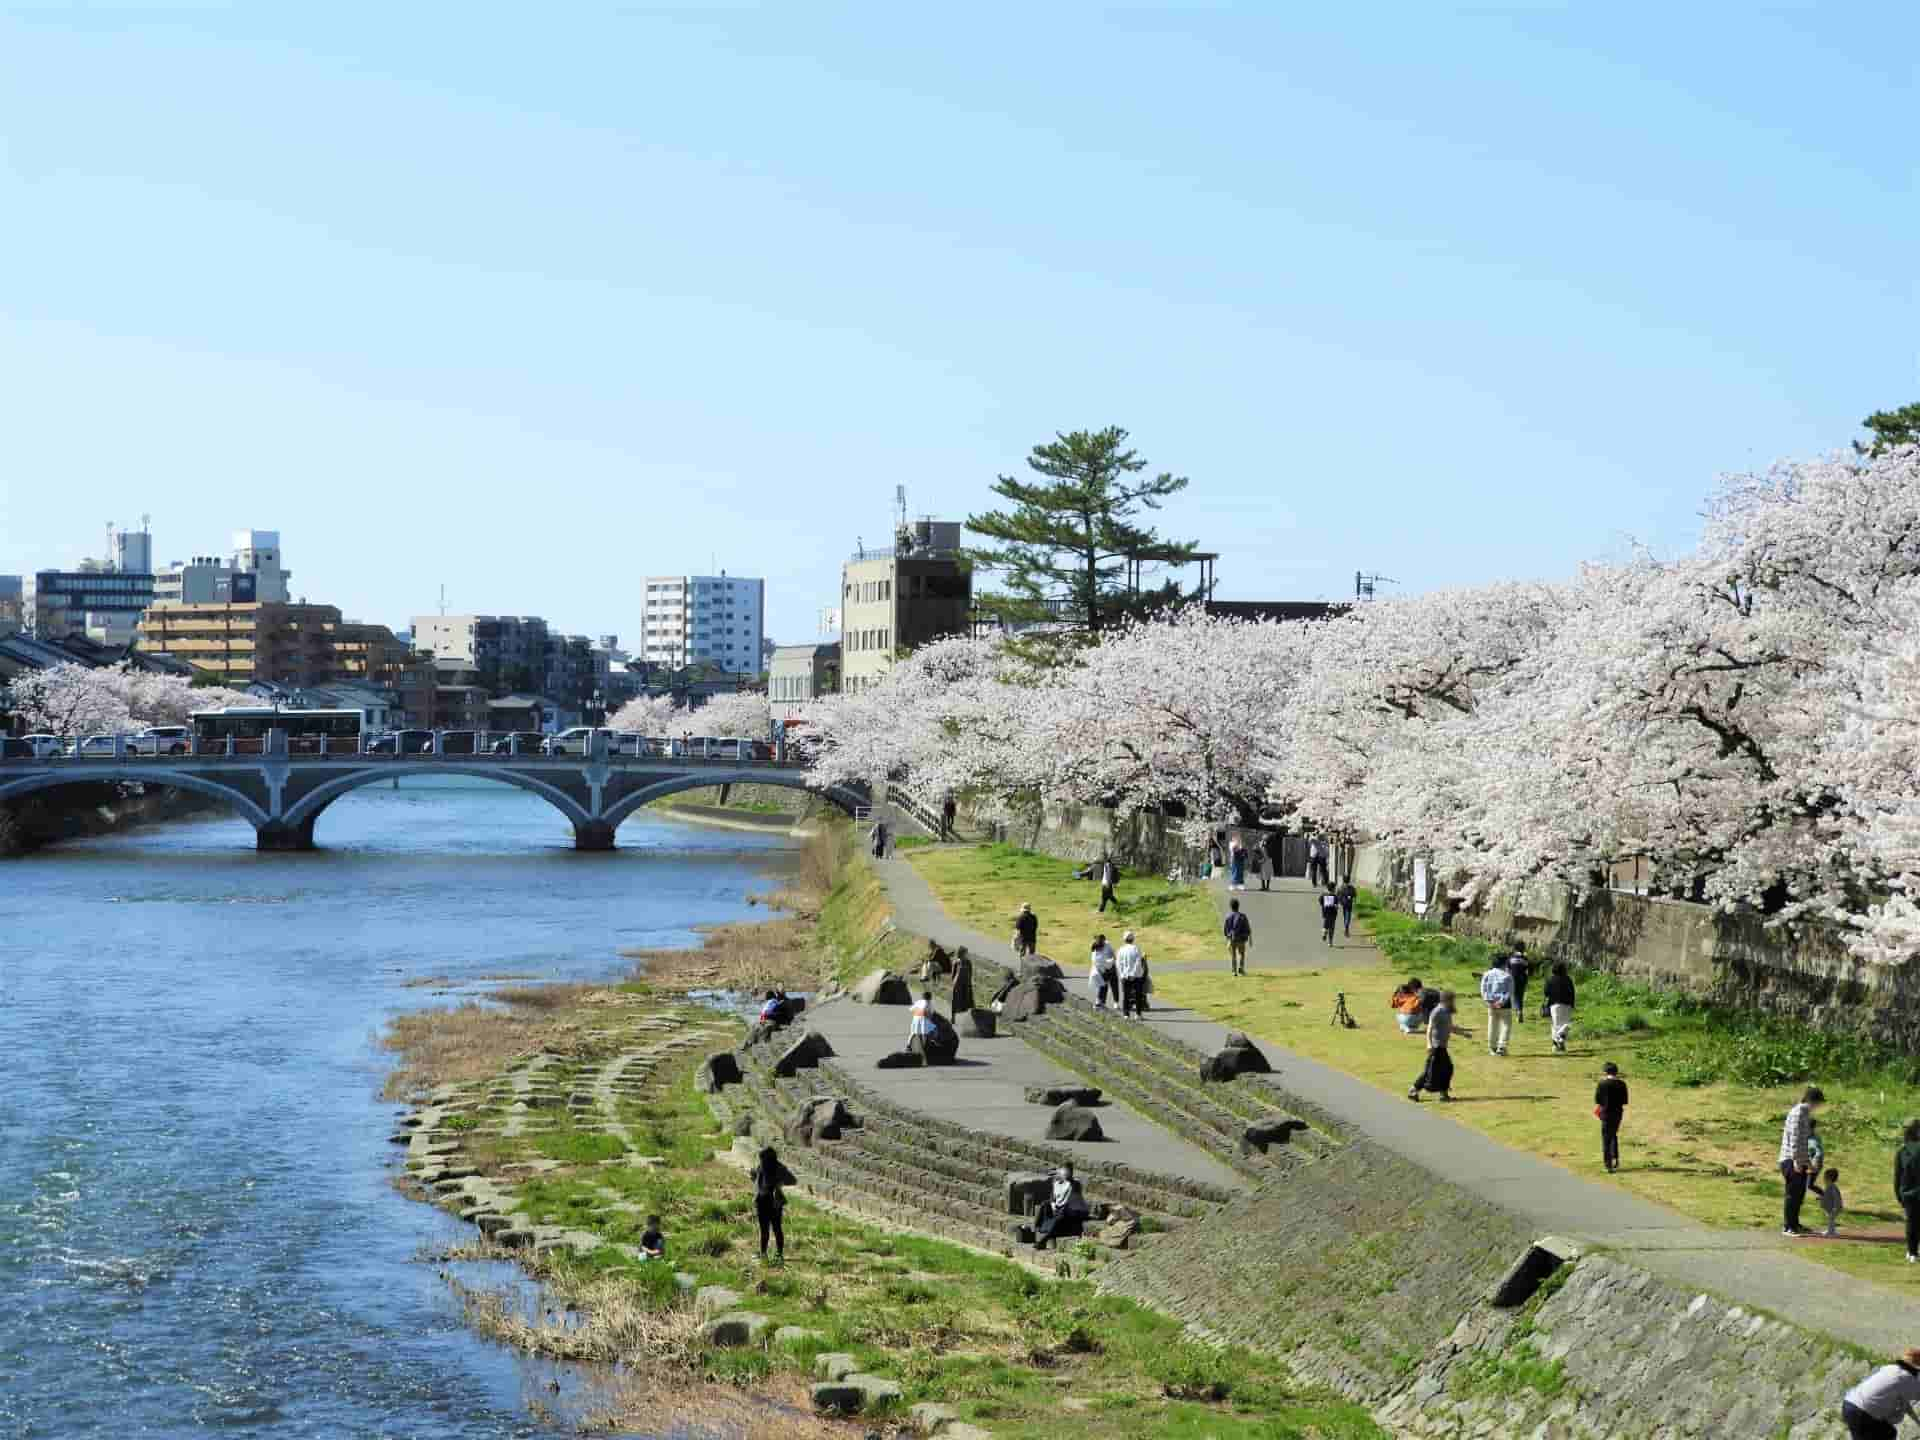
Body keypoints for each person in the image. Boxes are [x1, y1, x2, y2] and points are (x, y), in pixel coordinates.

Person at [1840, 1349, 1920, 1440]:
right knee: (1887, 1434)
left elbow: (1906, 1405)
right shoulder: (1906, 1378)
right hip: (1862, 1412)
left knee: (1888, 1432)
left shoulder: (1889, 1368)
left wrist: (1917, 1421)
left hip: (1849, 1404)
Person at [1779, 1085, 1825, 1236]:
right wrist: (1797, 1161)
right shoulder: (1799, 1112)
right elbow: (1795, 1139)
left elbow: (1804, 1142)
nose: (1818, 1107)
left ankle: (1795, 1224)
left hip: (1800, 1160)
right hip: (1791, 1160)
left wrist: (1808, 1163)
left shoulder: (1805, 1113)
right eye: (1818, 1103)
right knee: (1792, 1195)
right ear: (1812, 1101)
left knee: (1799, 1195)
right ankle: (1788, 1227)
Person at [749, 1145, 796, 1263]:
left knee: (776, 1229)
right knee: (765, 1229)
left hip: (773, 1202)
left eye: (762, 1158)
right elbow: (759, 1180)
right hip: (762, 1201)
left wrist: (779, 1182)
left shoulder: (778, 1168)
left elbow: (792, 1180)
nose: (761, 1161)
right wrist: (754, 1176)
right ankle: (764, 1254)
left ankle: (778, 1254)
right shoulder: (762, 1166)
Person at [1408, 989, 1454, 1101]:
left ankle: (1443, 1093)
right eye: (1451, 1000)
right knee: (1431, 1071)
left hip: (1442, 1046)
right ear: (1445, 1000)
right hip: (1436, 1046)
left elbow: (1449, 1026)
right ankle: (1413, 1090)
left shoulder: (1446, 1011)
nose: (1453, 1002)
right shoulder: (1437, 1011)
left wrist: (1464, 1033)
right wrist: (1429, 1044)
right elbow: (1429, 1028)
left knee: (1447, 1068)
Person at [1033, 1164, 1089, 1250]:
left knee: (1062, 1215)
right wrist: (1052, 1203)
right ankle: (1037, 1230)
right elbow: (1053, 1196)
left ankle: (1044, 1240)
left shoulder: (1075, 1184)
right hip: (1061, 1208)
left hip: (1073, 1210)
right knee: (1044, 1205)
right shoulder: (1057, 1183)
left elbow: (1071, 1200)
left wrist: (1060, 1207)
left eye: (1067, 1172)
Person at [1594, 1061, 1628, 1172]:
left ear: (1605, 1072)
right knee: (1613, 1134)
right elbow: (1624, 1100)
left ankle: (1608, 1164)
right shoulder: (1622, 1084)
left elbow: (1597, 1100)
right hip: (1618, 1113)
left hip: (1606, 1113)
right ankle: (1615, 1159)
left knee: (1606, 1138)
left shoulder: (1602, 1084)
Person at [1480, 957, 1513, 1057]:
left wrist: (1488, 1001)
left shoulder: (1487, 974)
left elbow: (1483, 989)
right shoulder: (1507, 976)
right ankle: (1502, 1047)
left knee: (1492, 1024)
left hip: (1491, 1002)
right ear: (1504, 964)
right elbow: (1510, 991)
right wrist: (1501, 1002)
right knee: (1506, 1025)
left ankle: (1492, 1047)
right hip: (1504, 1004)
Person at [1545, 962, 1576, 1053]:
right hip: (1567, 1005)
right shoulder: (1568, 979)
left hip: (1554, 1005)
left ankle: (1556, 1044)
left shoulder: (1550, 979)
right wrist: (1572, 1004)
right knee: (1566, 1024)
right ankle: (1561, 1043)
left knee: (1556, 1026)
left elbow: (1546, 992)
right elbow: (1572, 992)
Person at [1115, 930, 1147, 1019]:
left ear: (1124, 940)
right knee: (1138, 996)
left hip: (1125, 976)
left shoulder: (1120, 950)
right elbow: (1138, 962)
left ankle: (1126, 1014)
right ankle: (1138, 1014)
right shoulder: (1136, 948)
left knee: (1126, 996)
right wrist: (1133, 974)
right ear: (1133, 939)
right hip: (1136, 976)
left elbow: (1118, 963)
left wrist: (1121, 974)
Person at [1809, 1168, 1845, 1237]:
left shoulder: (1832, 1187)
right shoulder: (1829, 1186)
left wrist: (1835, 1207)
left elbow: (1836, 1198)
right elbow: (1827, 1196)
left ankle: (1831, 1232)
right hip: (1830, 1208)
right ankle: (1832, 1231)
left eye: (1825, 1177)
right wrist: (1820, 1198)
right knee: (1831, 1219)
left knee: (1831, 1219)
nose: (1823, 1179)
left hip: (1834, 1208)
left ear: (1829, 1178)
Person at [1223, 899, 1253, 976]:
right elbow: (1247, 928)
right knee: (1241, 954)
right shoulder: (1243, 916)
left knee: (1233, 955)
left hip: (1232, 938)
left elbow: (1226, 929)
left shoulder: (1228, 916)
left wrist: (1227, 938)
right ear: (1238, 906)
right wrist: (1249, 938)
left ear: (1231, 907)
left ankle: (1234, 971)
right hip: (1241, 939)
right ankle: (1241, 968)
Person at [1088, 933, 1117, 1008]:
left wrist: (1113, 958)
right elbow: (1106, 963)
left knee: (1105, 985)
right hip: (1101, 970)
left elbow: (1112, 954)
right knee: (1103, 985)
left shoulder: (1105, 944)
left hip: (1105, 969)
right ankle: (1099, 1002)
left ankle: (1101, 1002)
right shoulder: (1097, 955)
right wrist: (1113, 960)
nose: (1105, 943)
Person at [1505, 943, 1531, 1026]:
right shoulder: (1525, 958)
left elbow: (1507, 969)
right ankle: (1520, 1011)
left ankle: (1513, 1012)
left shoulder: (1511, 957)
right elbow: (1527, 971)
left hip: (1512, 978)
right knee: (1520, 996)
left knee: (1512, 995)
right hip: (1522, 979)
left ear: (1515, 948)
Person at [907, 989, 938, 1057]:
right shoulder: (929, 1003)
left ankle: (908, 1046)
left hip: (916, 1019)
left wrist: (917, 1012)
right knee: (931, 1031)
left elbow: (911, 1009)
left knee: (913, 1032)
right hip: (924, 1020)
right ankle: (927, 1046)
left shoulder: (919, 1002)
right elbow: (931, 1013)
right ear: (930, 998)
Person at [950, 945, 974, 1017]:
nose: (967, 954)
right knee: (956, 1001)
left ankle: (966, 1017)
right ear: (962, 953)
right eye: (966, 953)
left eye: (967, 953)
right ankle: (954, 1017)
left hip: (966, 984)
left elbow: (970, 973)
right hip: (958, 985)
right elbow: (953, 975)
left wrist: (969, 983)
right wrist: (955, 983)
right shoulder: (956, 962)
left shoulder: (968, 962)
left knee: (967, 1001)